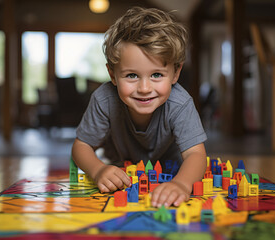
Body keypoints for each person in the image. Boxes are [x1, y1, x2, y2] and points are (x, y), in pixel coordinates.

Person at [71, 7, 207, 208]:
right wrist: (98, 170)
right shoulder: (104, 99)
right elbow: (81, 146)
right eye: (132, 75)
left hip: (171, 171)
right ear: (112, 74)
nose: (144, 88)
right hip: (124, 173)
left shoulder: (180, 103)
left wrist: (181, 183)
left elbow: (196, 154)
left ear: (175, 73)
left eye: (157, 75)